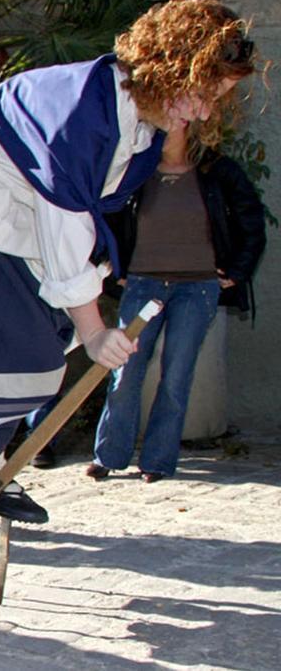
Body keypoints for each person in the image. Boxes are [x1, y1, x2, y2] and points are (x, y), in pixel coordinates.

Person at [0, 0, 256, 524]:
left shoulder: (135, 122)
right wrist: (96, 328)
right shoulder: (88, 114)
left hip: (11, 203)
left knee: (41, 337)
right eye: (202, 93)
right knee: (20, 344)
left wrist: (92, 304)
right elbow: (65, 218)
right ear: (170, 67)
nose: (203, 112)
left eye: (215, 100)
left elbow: (82, 217)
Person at [88, 124, 266, 483]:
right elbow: (102, 219)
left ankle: (157, 462)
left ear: (193, 129)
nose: (163, 129)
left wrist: (237, 270)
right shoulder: (133, 171)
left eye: (174, 124)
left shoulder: (219, 171)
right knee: (126, 372)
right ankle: (108, 455)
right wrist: (114, 269)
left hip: (197, 288)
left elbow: (251, 220)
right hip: (142, 285)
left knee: (177, 377)